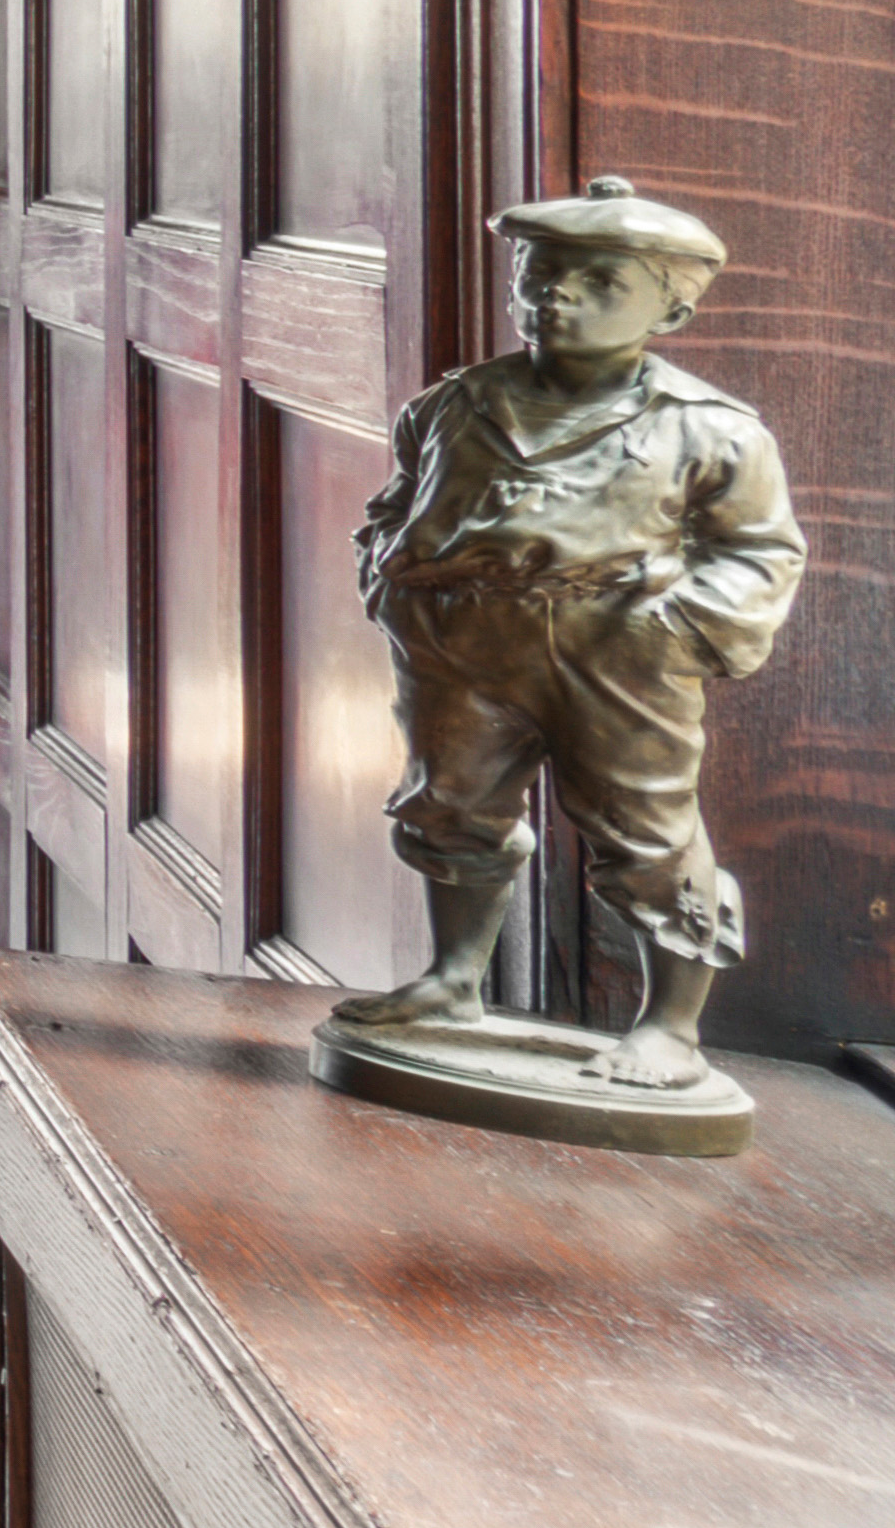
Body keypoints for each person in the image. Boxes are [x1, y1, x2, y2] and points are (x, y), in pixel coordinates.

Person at [327, 177, 802, 1093]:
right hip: (460, 644)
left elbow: (759, 551)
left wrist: (675, 630)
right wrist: (390, 579)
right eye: (540, 276)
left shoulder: (708, 429)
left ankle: (670, 1026)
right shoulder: (454, 405)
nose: (558, 297)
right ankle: (453, 981)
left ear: (673, 304)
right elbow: (394, 506)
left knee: (650, 834)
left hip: (617, 650)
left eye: (598, 283)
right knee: (449, 804)